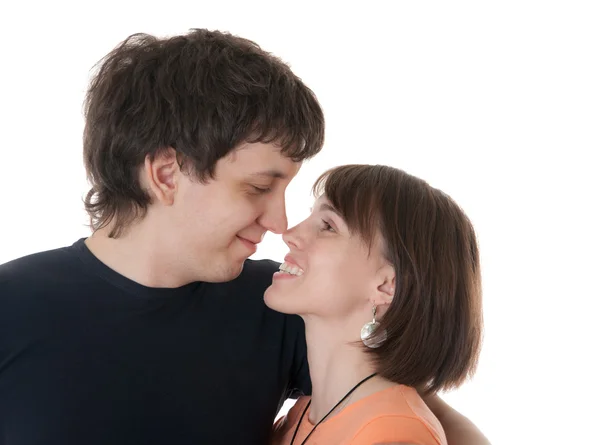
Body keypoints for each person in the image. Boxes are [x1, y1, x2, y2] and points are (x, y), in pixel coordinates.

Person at [0, 29, 489, 445]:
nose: (280, 221)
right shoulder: (12, 307)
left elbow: (405, 410)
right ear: (167, 175)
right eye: (259, 187)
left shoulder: (275, 307)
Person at [266, 164, 485, 445]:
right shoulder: (301, 416)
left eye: (328, 226)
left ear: (387, 285)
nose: (290, 234)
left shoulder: (394, 435)